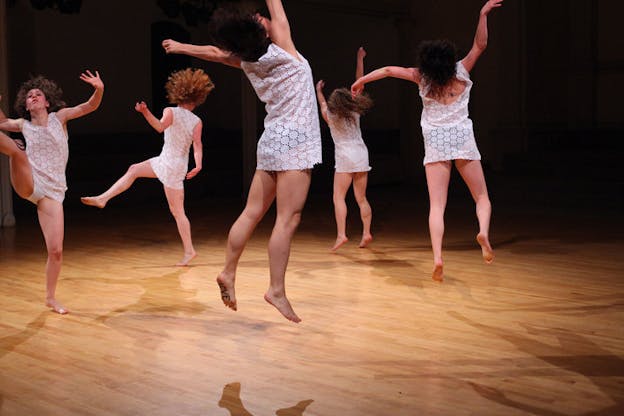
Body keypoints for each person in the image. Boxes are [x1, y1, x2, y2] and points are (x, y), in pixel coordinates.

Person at [162, 0, 322, 322]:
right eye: (258, 19)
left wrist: (181, 47)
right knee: (287, 219)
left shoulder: (249, 62)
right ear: (259, 31)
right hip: (296, 143)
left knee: (251, 213)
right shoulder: (285, 53)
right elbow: (276, 7)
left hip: (271, 142)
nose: (264, 18)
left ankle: (228, 271)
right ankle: (275, 289)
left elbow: (216, 53)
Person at [352, 0, 501, 282]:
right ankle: (482, 230)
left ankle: (437, 257)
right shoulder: (462, 71)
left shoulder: (421, 78)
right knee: (481, 197)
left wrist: (362, 82)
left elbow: (387, 70)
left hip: (435, 142)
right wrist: (482, 14)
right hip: (461, 138)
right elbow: (480, 45)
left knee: (436, 206)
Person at [81, 68, 213, 267]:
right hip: (174, 163)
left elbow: (160, 127)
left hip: (168, 163)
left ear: (179, 93)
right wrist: (199, 165)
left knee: (177, 211)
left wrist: (144, 112)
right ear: (196, 99)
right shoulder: (197, 120)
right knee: (135, 170)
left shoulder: (171, 111)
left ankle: (189, 251)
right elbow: (198, 145)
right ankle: (103, 198)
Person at [0, 71, 104, 314]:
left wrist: (98, 89)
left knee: (56, 251)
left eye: (38, 94)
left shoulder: (60, 118)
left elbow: (90, 106)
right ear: (26, 105)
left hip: (53, 193)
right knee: (17, 151)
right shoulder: (22, 124)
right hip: (29, 182)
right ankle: (16, 151)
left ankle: (50, 298)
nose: (34, 97)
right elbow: (3, 123)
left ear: (47, 102)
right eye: (30, 96)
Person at [316, 47, 374, 251]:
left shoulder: (330, 117)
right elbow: (360, 81)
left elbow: (322, 104)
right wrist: (359, 58)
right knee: (361, 198)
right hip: (361, 154)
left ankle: (341, 234)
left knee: (338, 197)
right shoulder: (354, 111)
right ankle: (366, 232)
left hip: (344, 157)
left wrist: (318, 91)